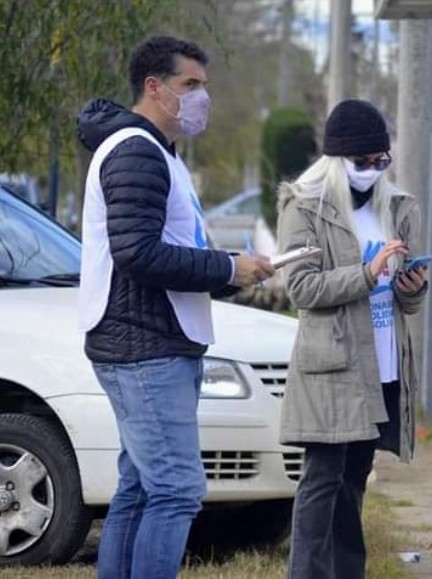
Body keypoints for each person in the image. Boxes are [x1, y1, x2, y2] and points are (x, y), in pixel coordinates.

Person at [77, 35, 273, 579]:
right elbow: (138, 253)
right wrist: (228, 268)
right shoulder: (136, 151)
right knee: (176, 489)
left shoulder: (156, 152)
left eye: (204, 87)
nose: (201, 97)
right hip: (143, 344)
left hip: (151, 340)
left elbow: (173, 253)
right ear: (154, 87)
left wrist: (236, 271)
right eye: (191, 85)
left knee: (141, 488)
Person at [277, 99, 428, 579]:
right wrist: (367, 273)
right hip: (332, 363)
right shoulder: (305, 208)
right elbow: (300, 287)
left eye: (379, 161)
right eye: (361, 163)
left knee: (354, 481)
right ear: (337, 161)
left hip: (383, 363)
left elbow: (408, 296)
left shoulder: (398, 206)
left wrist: (413, 290)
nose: (371, 170)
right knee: (321, 479)